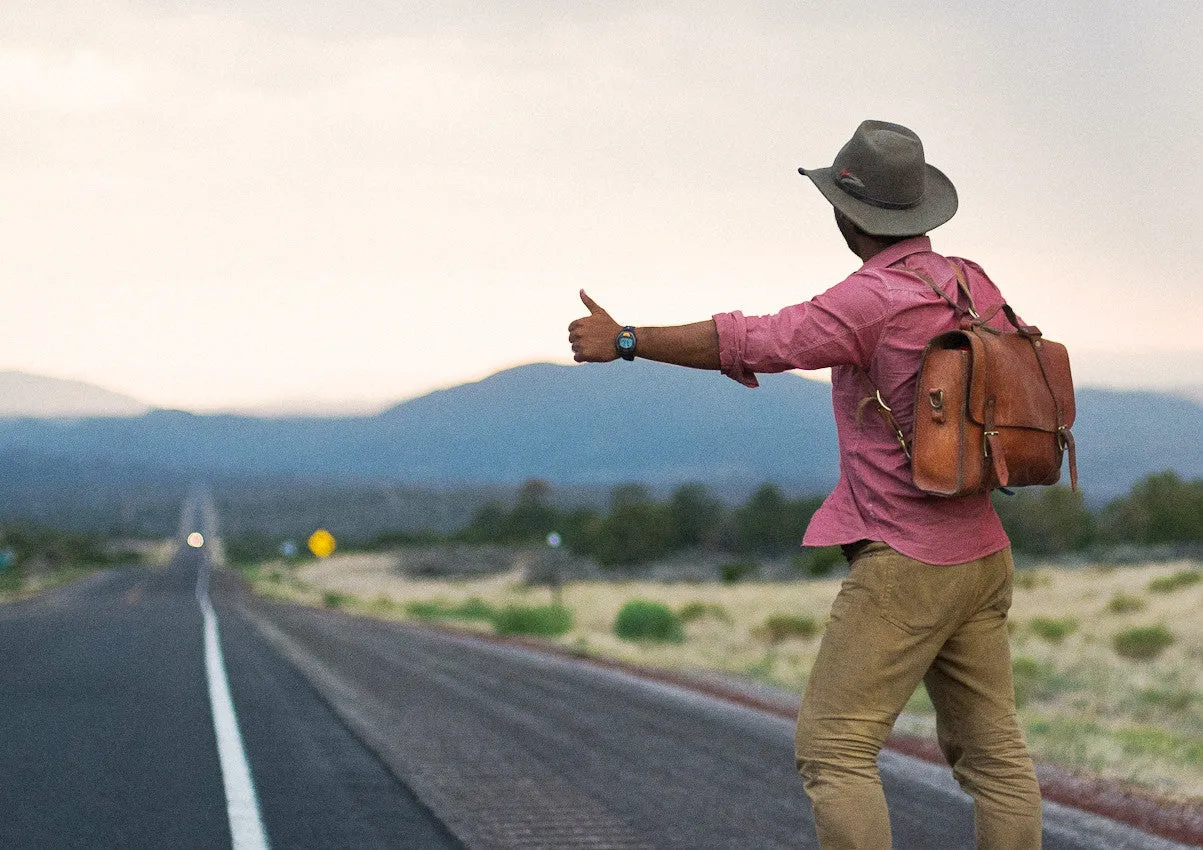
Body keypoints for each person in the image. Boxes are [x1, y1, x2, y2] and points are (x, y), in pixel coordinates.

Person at [567, 120, 1042, 849]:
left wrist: (627, 340)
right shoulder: (968, 279)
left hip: (906, 561)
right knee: (995, 761)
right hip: (981, 551)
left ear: (845, 214)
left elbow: (752, 339)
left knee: (834, 750)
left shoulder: (869, 301)